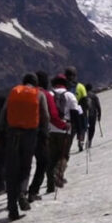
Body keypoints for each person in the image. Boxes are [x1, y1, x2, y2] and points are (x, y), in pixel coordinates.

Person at [0, 73, 48, 221]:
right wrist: (44, 134)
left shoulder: (14, 92)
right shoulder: (39, 94)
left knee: (12, 171)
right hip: (30, 135)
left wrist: (0, 131)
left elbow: (4, 112)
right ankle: (21, 192)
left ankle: (12, 209)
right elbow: (45, 116)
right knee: (25, 168)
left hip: (12, 134)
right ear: (36, 83)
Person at [27, 71, 66, 202]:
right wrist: (64, 126)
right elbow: (52, 115)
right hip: (41, 133)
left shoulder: (24, 93)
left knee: (24, 164)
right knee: (44, 161)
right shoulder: (45, 94)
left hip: (20, 133)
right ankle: (38, 189)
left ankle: (20, 191)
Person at [50, 73, 81, 188]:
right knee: (64, 155)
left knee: (52, 155)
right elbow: (74, 114)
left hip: (50, 129)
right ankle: (59, 175)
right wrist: (76, 129)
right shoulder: (70, 96)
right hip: (65, 129)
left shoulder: (49, 94)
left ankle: (50, 182)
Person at [65, 67, 89, 152]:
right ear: (75, 75)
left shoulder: (64, 87)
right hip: (79, 112)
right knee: (82, 128)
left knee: (71, 131)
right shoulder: (80, 86)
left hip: (68, 114)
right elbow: (86, 101)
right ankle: (81, 141)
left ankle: (67, 147)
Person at [84, 83, 102, 149]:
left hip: (85, 115)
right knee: (92, 128)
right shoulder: (94, 96)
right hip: (92, 115)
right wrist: (99, 115)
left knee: (85, 129)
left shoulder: (83, 96)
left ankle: (81, 141)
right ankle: (89, 141)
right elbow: (98, 106)